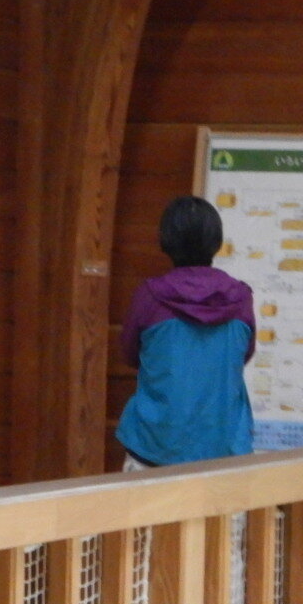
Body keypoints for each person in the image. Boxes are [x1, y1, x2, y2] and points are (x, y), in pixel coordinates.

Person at [115, 195, 255, 469]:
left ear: (165, 240)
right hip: (225, 448)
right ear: (216, 241)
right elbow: (244, 355)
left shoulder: (150, 296)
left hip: (155, 446)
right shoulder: (241, 298)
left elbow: (131, 354)